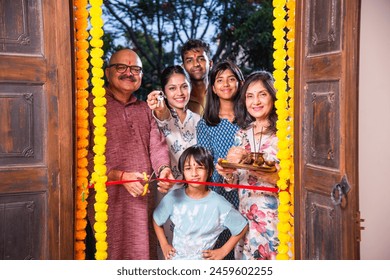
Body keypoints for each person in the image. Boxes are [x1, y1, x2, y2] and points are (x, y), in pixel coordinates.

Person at [86, 48, 175, 260]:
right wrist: (119, 176)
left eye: (135, 69)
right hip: (107, 201)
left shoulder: (144, 109)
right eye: (121, 67)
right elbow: (81, 156)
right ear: (107, 73)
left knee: (142, 254)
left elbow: (157, 144)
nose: (129, 73)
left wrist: (164, 169)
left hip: (142, 199)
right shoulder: (90, 105)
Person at [216, 70, 280, 260]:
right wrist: (227, 171)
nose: (256, 102)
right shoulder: (241, 134)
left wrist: (247, 161)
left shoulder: (285, 132)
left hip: (275, 219)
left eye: (262, 94)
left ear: (273, 96)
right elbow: (233, 182)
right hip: (246, 219)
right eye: (250, 96)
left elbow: (285, 178)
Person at [153, 146, 248, 260]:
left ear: (210, 171)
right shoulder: (173, 198)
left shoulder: (219, 204)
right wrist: (164, 245)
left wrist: (223, 251)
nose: (194, 173)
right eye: (188, 168)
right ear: (182, 171)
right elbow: (156, 220)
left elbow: (242, 226)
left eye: (200, 167)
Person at [196, 59, 245, 259]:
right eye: (220, 80)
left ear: (240, 83)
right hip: (220, 193)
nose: (225, 84)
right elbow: (205, 165)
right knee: (222, 247)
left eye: (231, 79)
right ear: (213, 88)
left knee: (248, 245)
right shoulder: (206, 124)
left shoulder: (249, 118)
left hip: (248, 190)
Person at [146, 65, 200, 179]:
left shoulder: (198, 120)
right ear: (163, 92)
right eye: (172, 88)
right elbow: (163, 116)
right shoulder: (157, 116)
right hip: (169, 188)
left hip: (196, 187)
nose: (179, 93)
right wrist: (160, 109)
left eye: (184, 86)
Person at [180, 39, 213, 115]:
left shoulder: (220, 93)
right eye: (189, 61)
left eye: (201, 59)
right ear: (183, 67)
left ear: (210, 64)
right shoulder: (179, 98)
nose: (196, 64)